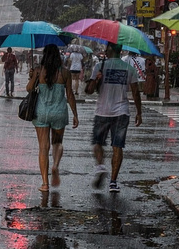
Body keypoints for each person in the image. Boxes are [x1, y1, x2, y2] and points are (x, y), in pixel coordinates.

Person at [87, 42, 142, 193]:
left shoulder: (100, 66)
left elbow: (89, 90)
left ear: (110, 50)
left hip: (102, 111)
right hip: (121, 112)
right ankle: (113, 182)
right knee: (117, 146)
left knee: (97, 143)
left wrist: (96, 80)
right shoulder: (129, 68)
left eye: (107, 48)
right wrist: (139, 112)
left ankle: (100, 166)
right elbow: (136, 92)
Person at [27, 44, 79, 192]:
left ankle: (45, 183)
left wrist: (32, 76)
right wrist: (75, 114)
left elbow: (29, 89)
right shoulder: (65, 72)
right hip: (59, 112)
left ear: (44, 56)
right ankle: (55, 165)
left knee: (43, 148)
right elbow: (70, 95)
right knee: (57, 143)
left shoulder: (39, 70)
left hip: (41, 112)